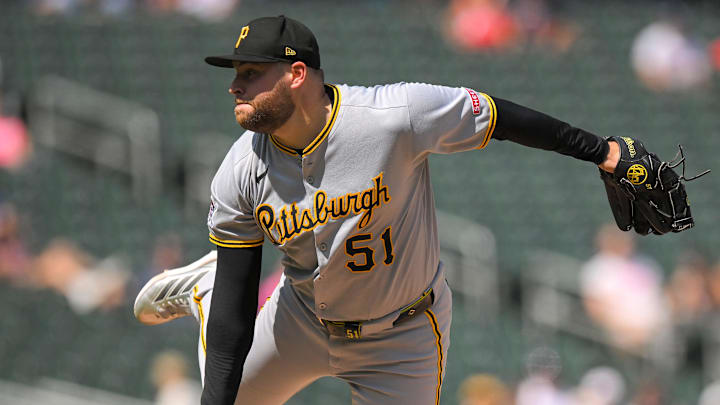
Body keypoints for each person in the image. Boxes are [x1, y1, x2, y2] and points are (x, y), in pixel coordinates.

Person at [134, 15, 625, 405]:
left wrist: (603, 152)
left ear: (297, 74)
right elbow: (235, 311)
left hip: (402, 335)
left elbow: (499, 117)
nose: (234, 86)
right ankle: (205, 286)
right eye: (236, 74)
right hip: (299, 319)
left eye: (250, 73)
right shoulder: (239, 170)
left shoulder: (392, 116)